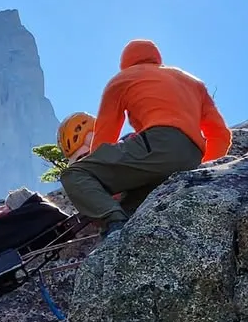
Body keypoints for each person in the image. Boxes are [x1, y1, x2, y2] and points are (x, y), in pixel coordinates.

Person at [60, 41, 231, 236]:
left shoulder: (123, 79)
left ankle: (115, 227)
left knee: (74, 174)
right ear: (157, 58)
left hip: (157, 146)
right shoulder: (192, 82)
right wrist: (202, 171)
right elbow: (220, 135)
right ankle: (129, 226)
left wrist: (108, 185)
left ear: (125, 63)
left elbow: (104, 136)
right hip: (192, 156)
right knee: (131, 204)